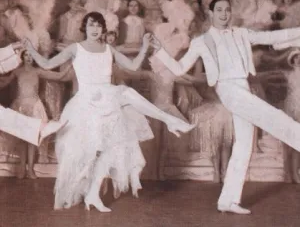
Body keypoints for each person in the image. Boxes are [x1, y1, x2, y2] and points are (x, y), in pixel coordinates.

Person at [23, 11, 194, 212]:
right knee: (86, 153)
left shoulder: (108, 50)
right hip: (86, 104)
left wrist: (145, 47)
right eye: (90, 25)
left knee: (111, 146)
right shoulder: (75, 48)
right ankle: (86, 193)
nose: (94, 29)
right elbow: (47, 64)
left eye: (98, 26)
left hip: (108, 99)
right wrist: (30, 50)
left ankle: (94, 195)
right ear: (84, 28)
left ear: (103, 29)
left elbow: (133, 65)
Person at [150, 0, 300, 215]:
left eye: (227, 10)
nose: (224, 13)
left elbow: (272, 36)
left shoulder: (241, 33)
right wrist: (161, 51)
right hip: (228, 90)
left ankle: (228, 200)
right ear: (211, 13)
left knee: (243, 145)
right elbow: (180, 68)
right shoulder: (201, 41)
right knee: (275, 117)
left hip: (243, 87)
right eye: (219, 10)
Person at [0, 42, 66, 148]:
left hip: (32, 102)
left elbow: (2, 63)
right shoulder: (18, 72)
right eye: (26, 55)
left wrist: (16, 51)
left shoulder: (36, 71)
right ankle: (41, 128)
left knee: (4, 117)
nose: (28, 57)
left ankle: (41, 128)